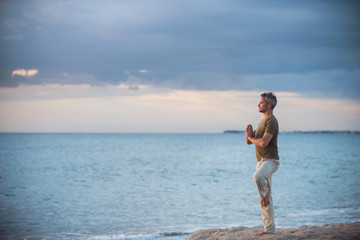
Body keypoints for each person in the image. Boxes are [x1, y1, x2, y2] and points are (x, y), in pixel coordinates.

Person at [245, 92, 280, 236]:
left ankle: (267, 193)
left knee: (258, 177)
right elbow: (249, 141)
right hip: (260, 162)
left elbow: (264, 143)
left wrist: (251, 138)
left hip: (271, 161)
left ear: (269, 105)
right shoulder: (262, 122)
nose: (258, 105)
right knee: (264, 198)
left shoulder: (271, 121)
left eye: (261, 102)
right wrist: (248, 135)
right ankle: (269, 230)